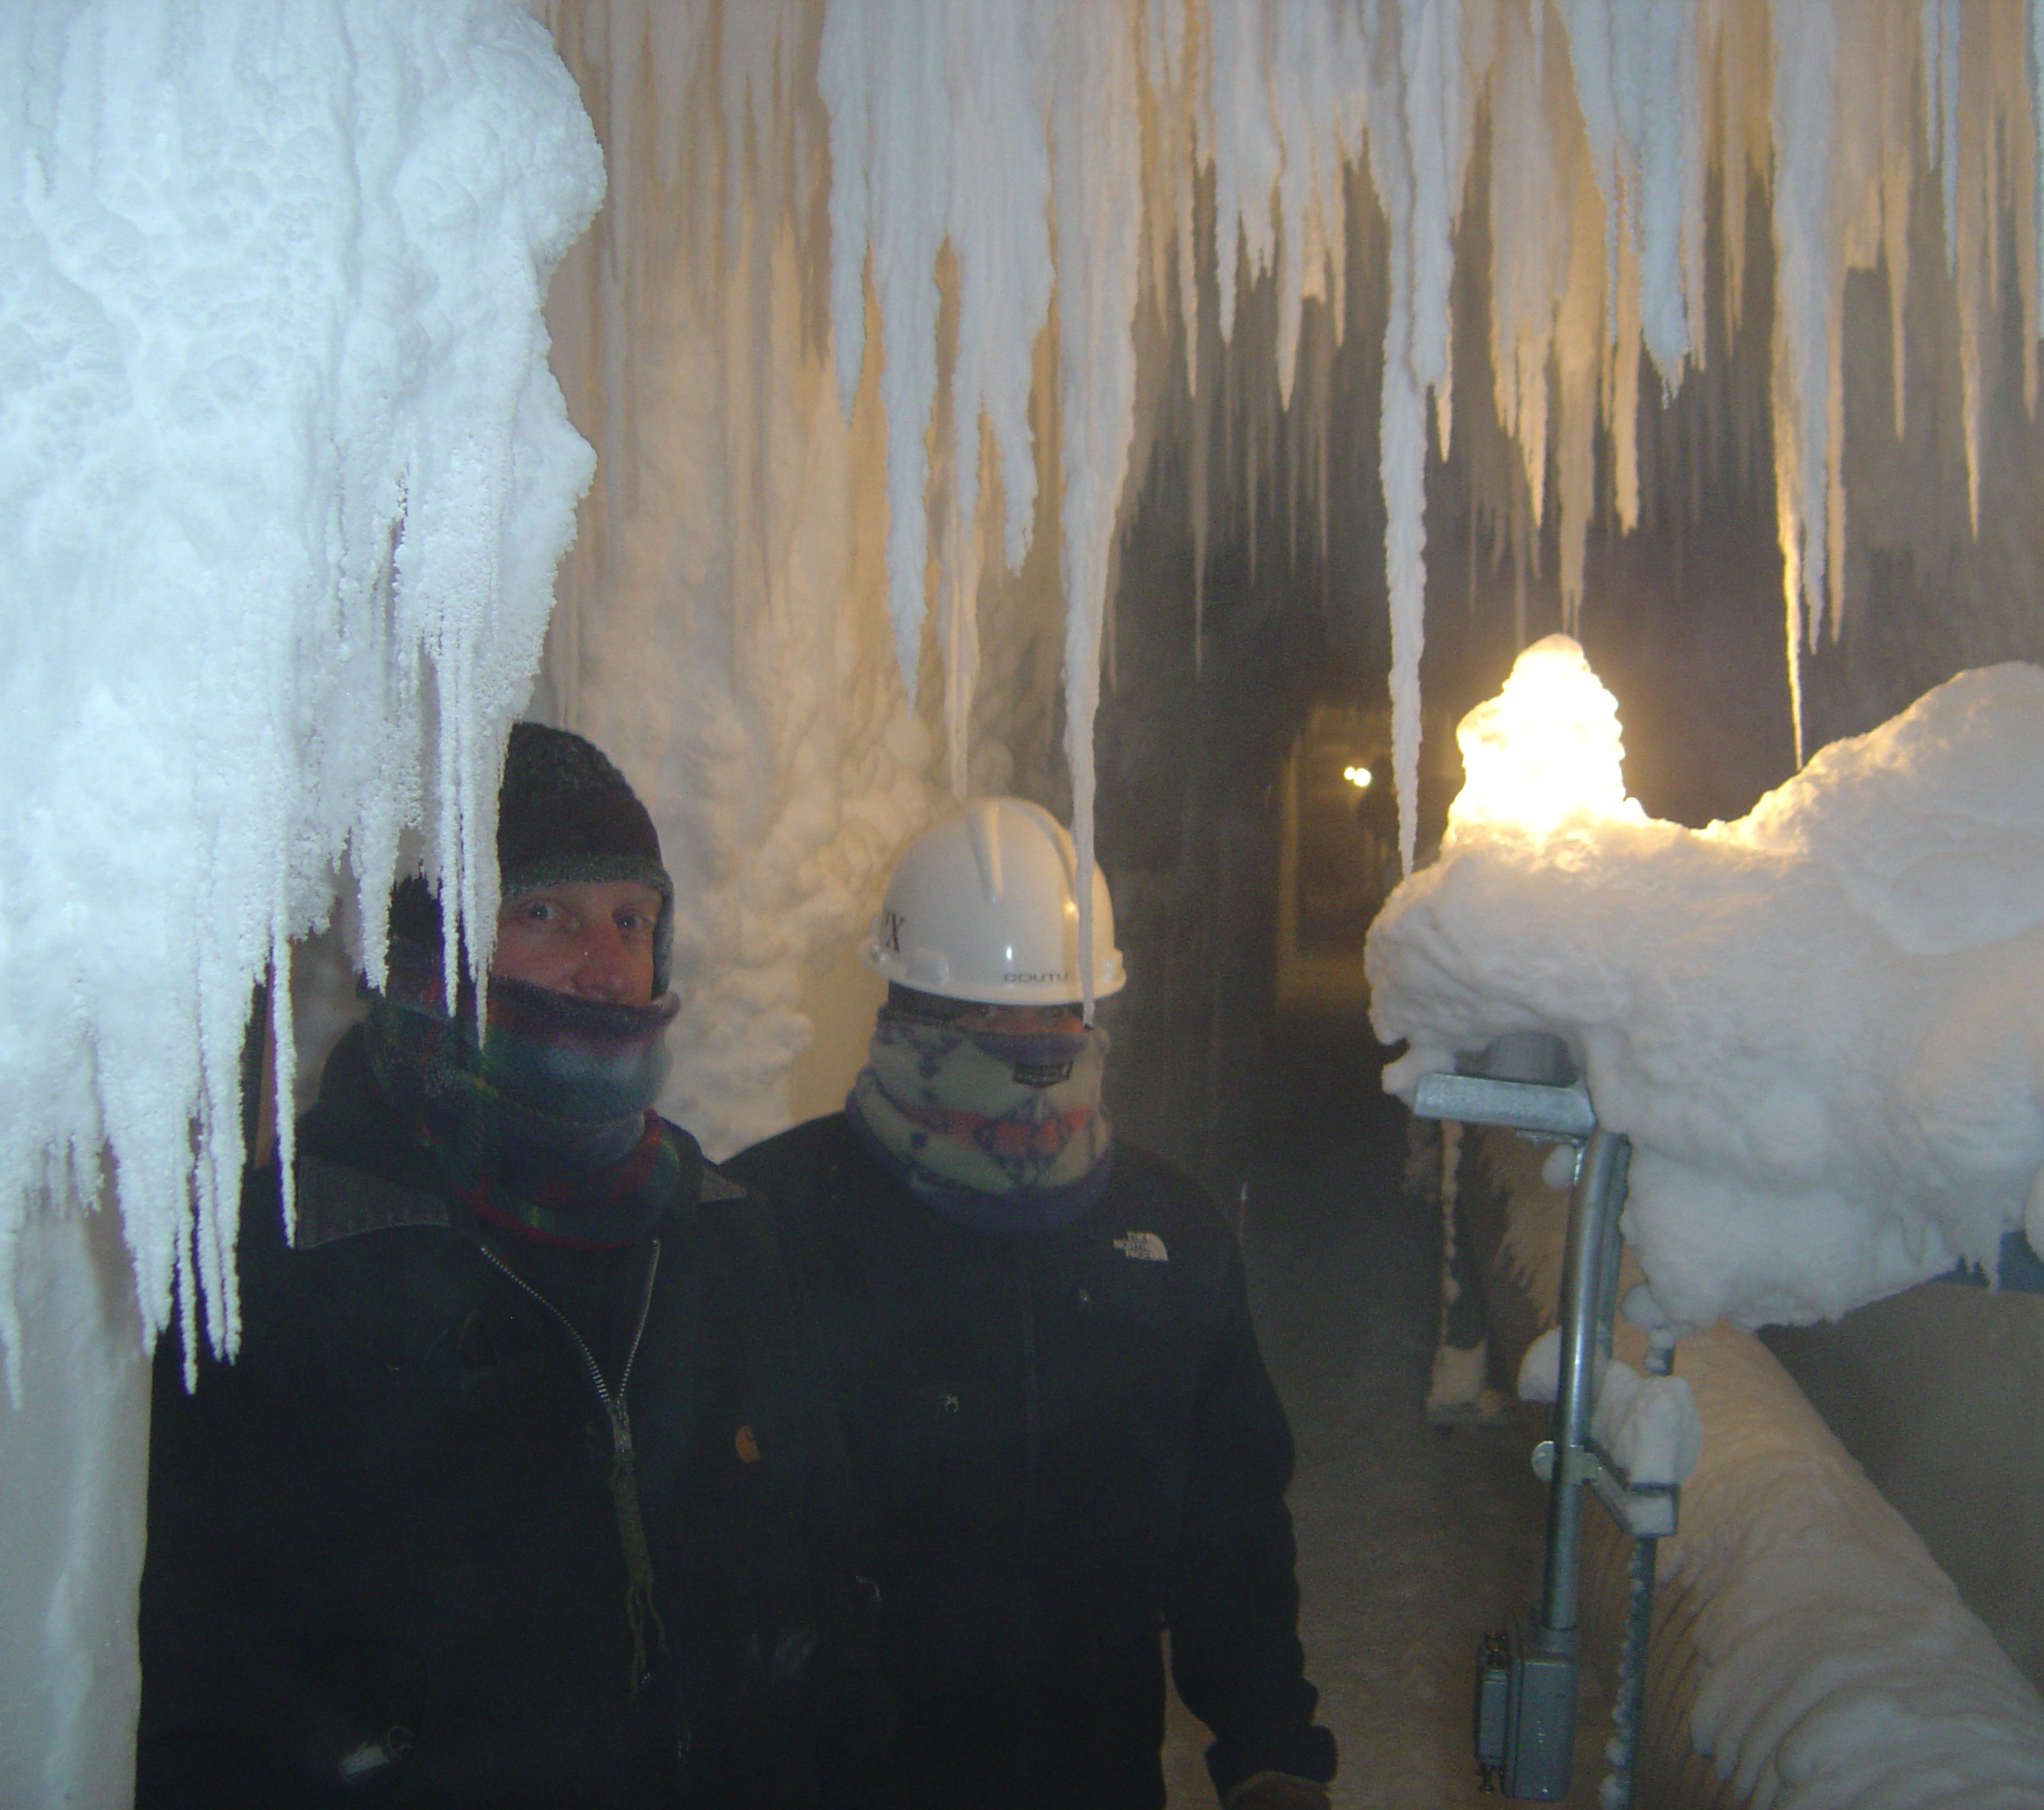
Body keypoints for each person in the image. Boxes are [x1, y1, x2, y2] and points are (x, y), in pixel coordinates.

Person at [137, 723, 888, 1809]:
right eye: (544, 914)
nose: (606, 966)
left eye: (632, 921)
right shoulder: (285, 1262)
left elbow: (836, 1617)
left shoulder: (726, 1232)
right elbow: (206, 1704)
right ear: (422, 953)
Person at [725, 798, 1336, 1810]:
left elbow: (1230, 1533)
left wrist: (1271, 1754)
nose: (1031, 1047)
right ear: (907, 1002)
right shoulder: (770, 1225)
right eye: (982, 1021)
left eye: (1059, 1015)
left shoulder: (1169, 1236)